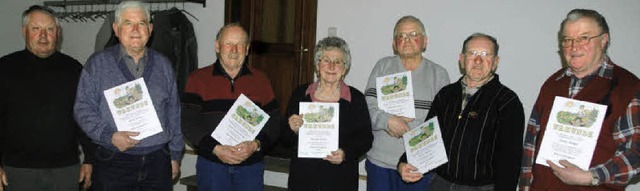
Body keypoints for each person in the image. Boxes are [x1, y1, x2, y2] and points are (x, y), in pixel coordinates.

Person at [519, 9, 640, 191]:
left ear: (604, 40)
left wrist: (590, 177)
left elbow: (636, 154)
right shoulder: (552, 84)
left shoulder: (628, 88)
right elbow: (531, 143)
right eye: (567, 40)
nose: (574, 47)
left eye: (583, 38)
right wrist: (525, 186)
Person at [74, 1, 183, 190]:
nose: (135, 29)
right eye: (127, 23)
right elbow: (83, 109)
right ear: (116, 29)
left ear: (150, 29)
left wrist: (174, 155)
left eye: (141, 23)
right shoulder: (97, 64)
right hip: (113, 162)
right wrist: (109, 136)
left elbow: (174, 112)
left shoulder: (163, 65)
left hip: (158, 162)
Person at [397, 33, 525, 191]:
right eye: (472, 54)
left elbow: (510, 161)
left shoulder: (507, 102)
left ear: (495, 62)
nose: (478, 60)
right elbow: (426, 136)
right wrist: (404, 162)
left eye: (486, 54)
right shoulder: (446, 94)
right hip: (440, 184)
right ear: (462, 59)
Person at [0, 5, 95, 191]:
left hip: (66, 170)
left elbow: (85, 117)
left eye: (49, 29)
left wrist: (90, 159)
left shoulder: (74, 69)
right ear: (24, 31)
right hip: (18, 170)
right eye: (36, 29)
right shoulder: (4, 68)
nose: (43, 36)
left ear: (57, 33)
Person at [181, 23, 280, 191]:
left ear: (247, 49)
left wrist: (255, 145)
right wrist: (216, 149)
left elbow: (275, 122)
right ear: (217, 46)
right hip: (212, 164)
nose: (234, 49)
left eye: (240, 44)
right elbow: (188, 122)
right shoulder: (197, 79)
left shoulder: (261, 80)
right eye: (228, 43)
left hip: (250, 165)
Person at [364, 15, 450, 191]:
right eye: (401, 36)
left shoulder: (438, 74)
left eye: (413, 34)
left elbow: (444, 121)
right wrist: (387, 121)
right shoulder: (383, 67)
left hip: (418, 166)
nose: (407, 40)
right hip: (381, 162)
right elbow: (367, 106)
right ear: (395, 44)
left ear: (424, 41)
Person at [284, 36, 373, 191]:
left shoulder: (355, 98)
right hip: (303, 178)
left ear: (345, 68)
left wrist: (345, 153)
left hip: (340, 179)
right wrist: (291, 127)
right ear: (317, 65)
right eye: (326, 60)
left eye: (338, 62)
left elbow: (365, 138)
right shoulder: (300, 94)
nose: (331, 66)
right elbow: (284, 138)